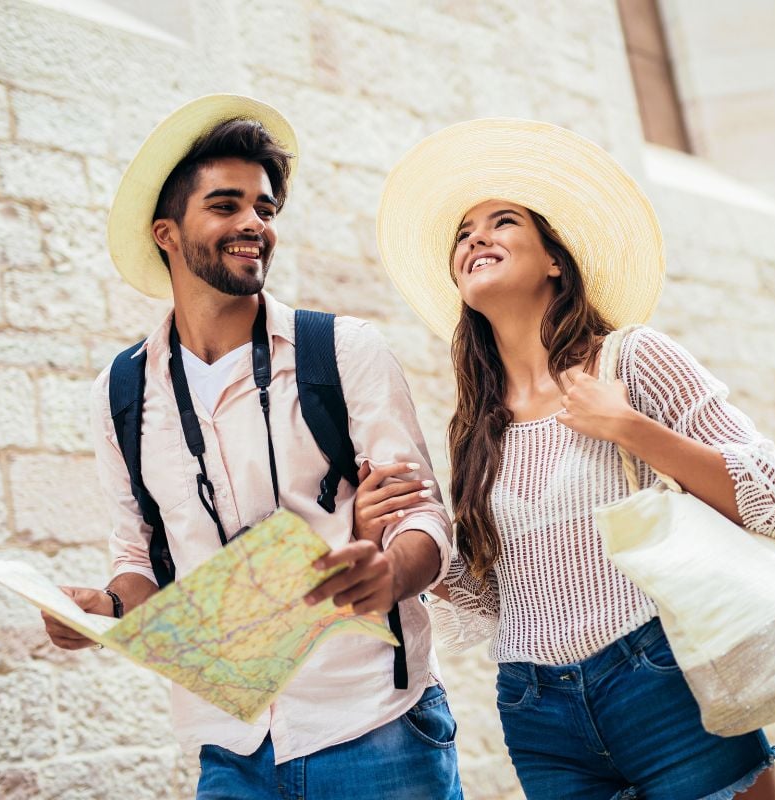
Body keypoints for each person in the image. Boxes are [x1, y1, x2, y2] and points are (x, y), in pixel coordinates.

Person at [41, 94, 463, 800]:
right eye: (226, 205)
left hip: (375, 728)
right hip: (228, 750)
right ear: (166, 233)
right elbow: (138, 560)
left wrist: (389, 575)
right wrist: (104, 612)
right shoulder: (118, 392)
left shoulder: (345, 350)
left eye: (265, 209)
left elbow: (426, 521)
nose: (253, 225)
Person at [362, 118, 775, 799]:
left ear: (555, 260)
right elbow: (488, 602)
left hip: (662, 676)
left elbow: (771, 498)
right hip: (539, 712)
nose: (475, 237)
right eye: (462, 233)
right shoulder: (476, 426)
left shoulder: (633, 358)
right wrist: (399, 531)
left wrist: (631, 428)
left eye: (502, 221)